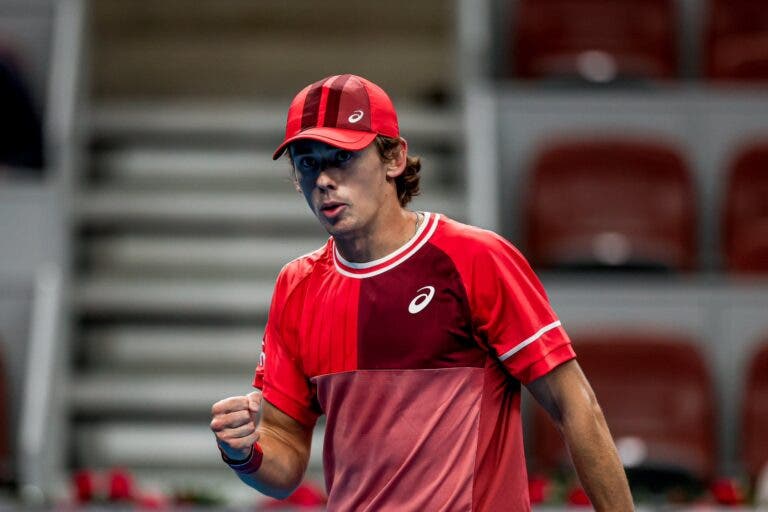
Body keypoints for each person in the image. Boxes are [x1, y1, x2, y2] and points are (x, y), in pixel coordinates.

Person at [210, 74, 634, 511]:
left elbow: (576, 407)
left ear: (394, 158)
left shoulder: (476, 259)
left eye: (342, 157)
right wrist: (244, 453)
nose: (323, 179)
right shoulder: (296, 286)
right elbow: (284, 456)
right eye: (307, 162)